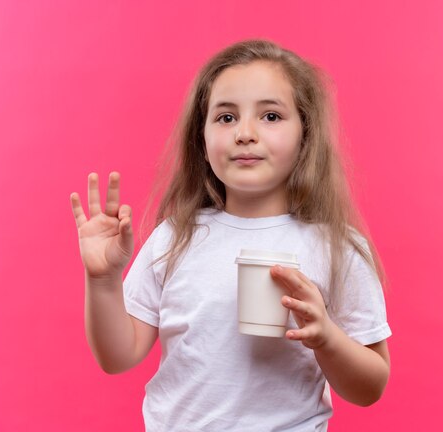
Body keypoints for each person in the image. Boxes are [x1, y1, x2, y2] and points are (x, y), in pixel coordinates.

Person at [70, 39, 391, 431]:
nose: (245, 133)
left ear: (305, 138)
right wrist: (102, 280)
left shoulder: (336, 248)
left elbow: (370, 386)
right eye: (226, 118)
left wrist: (325, 337)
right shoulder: (175, 238)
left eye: (271, 116)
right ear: (202, 142)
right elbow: (117, 356)